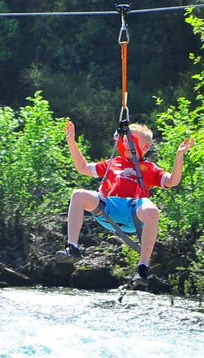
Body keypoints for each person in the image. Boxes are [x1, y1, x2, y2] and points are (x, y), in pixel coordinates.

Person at [55, 120, 194, 286]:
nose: (127, 145)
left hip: (133, 211)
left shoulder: (149, 167)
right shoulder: (113, 163)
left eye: (132, 142)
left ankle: (142, 267)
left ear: (145, 146)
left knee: (152, 211)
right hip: (108, 208)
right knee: (78, 194)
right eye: (125, 141)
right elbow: (83, 167)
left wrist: (179, 156)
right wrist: (71, 141)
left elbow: (172, 181)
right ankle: (72, 247)